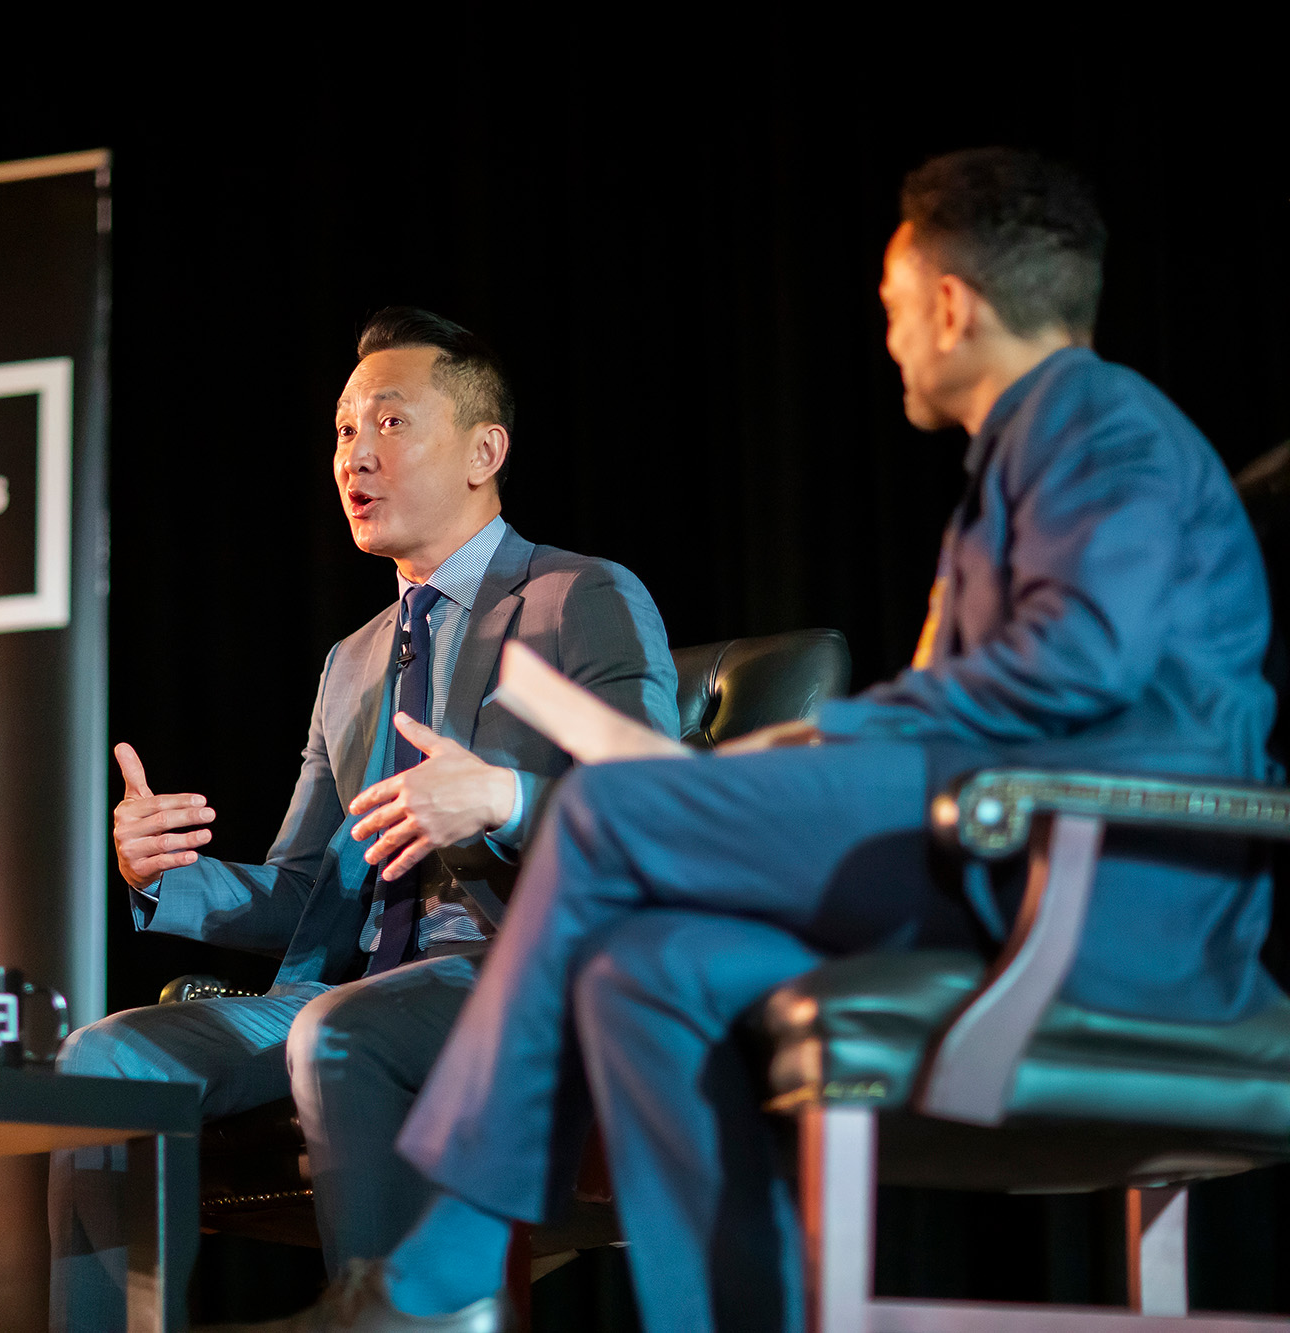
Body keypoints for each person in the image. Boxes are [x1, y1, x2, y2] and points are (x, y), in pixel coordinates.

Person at [220, 150, 1280, 1333]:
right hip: (995, 864)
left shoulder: (1100, 432)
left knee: (607, 811)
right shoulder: (1026, 460)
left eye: (890, 307)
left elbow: (1065, 674)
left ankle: (431, 1274)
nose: (888, 339)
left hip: (1114, 905)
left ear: (947, 307)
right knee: (643, 975)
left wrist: (809, 747)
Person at [50, 308, 680, 1330]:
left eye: (389, 423)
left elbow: (657, 813)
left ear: (483, 452)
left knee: (339, 1032)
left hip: (525, 977)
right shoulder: (351, 661)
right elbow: (305, 892)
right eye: (344, 430)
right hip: (350, 992)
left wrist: (505, 799)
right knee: (102, 1057)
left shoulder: (578, 597)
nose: (355, 454)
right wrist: (161, 874)